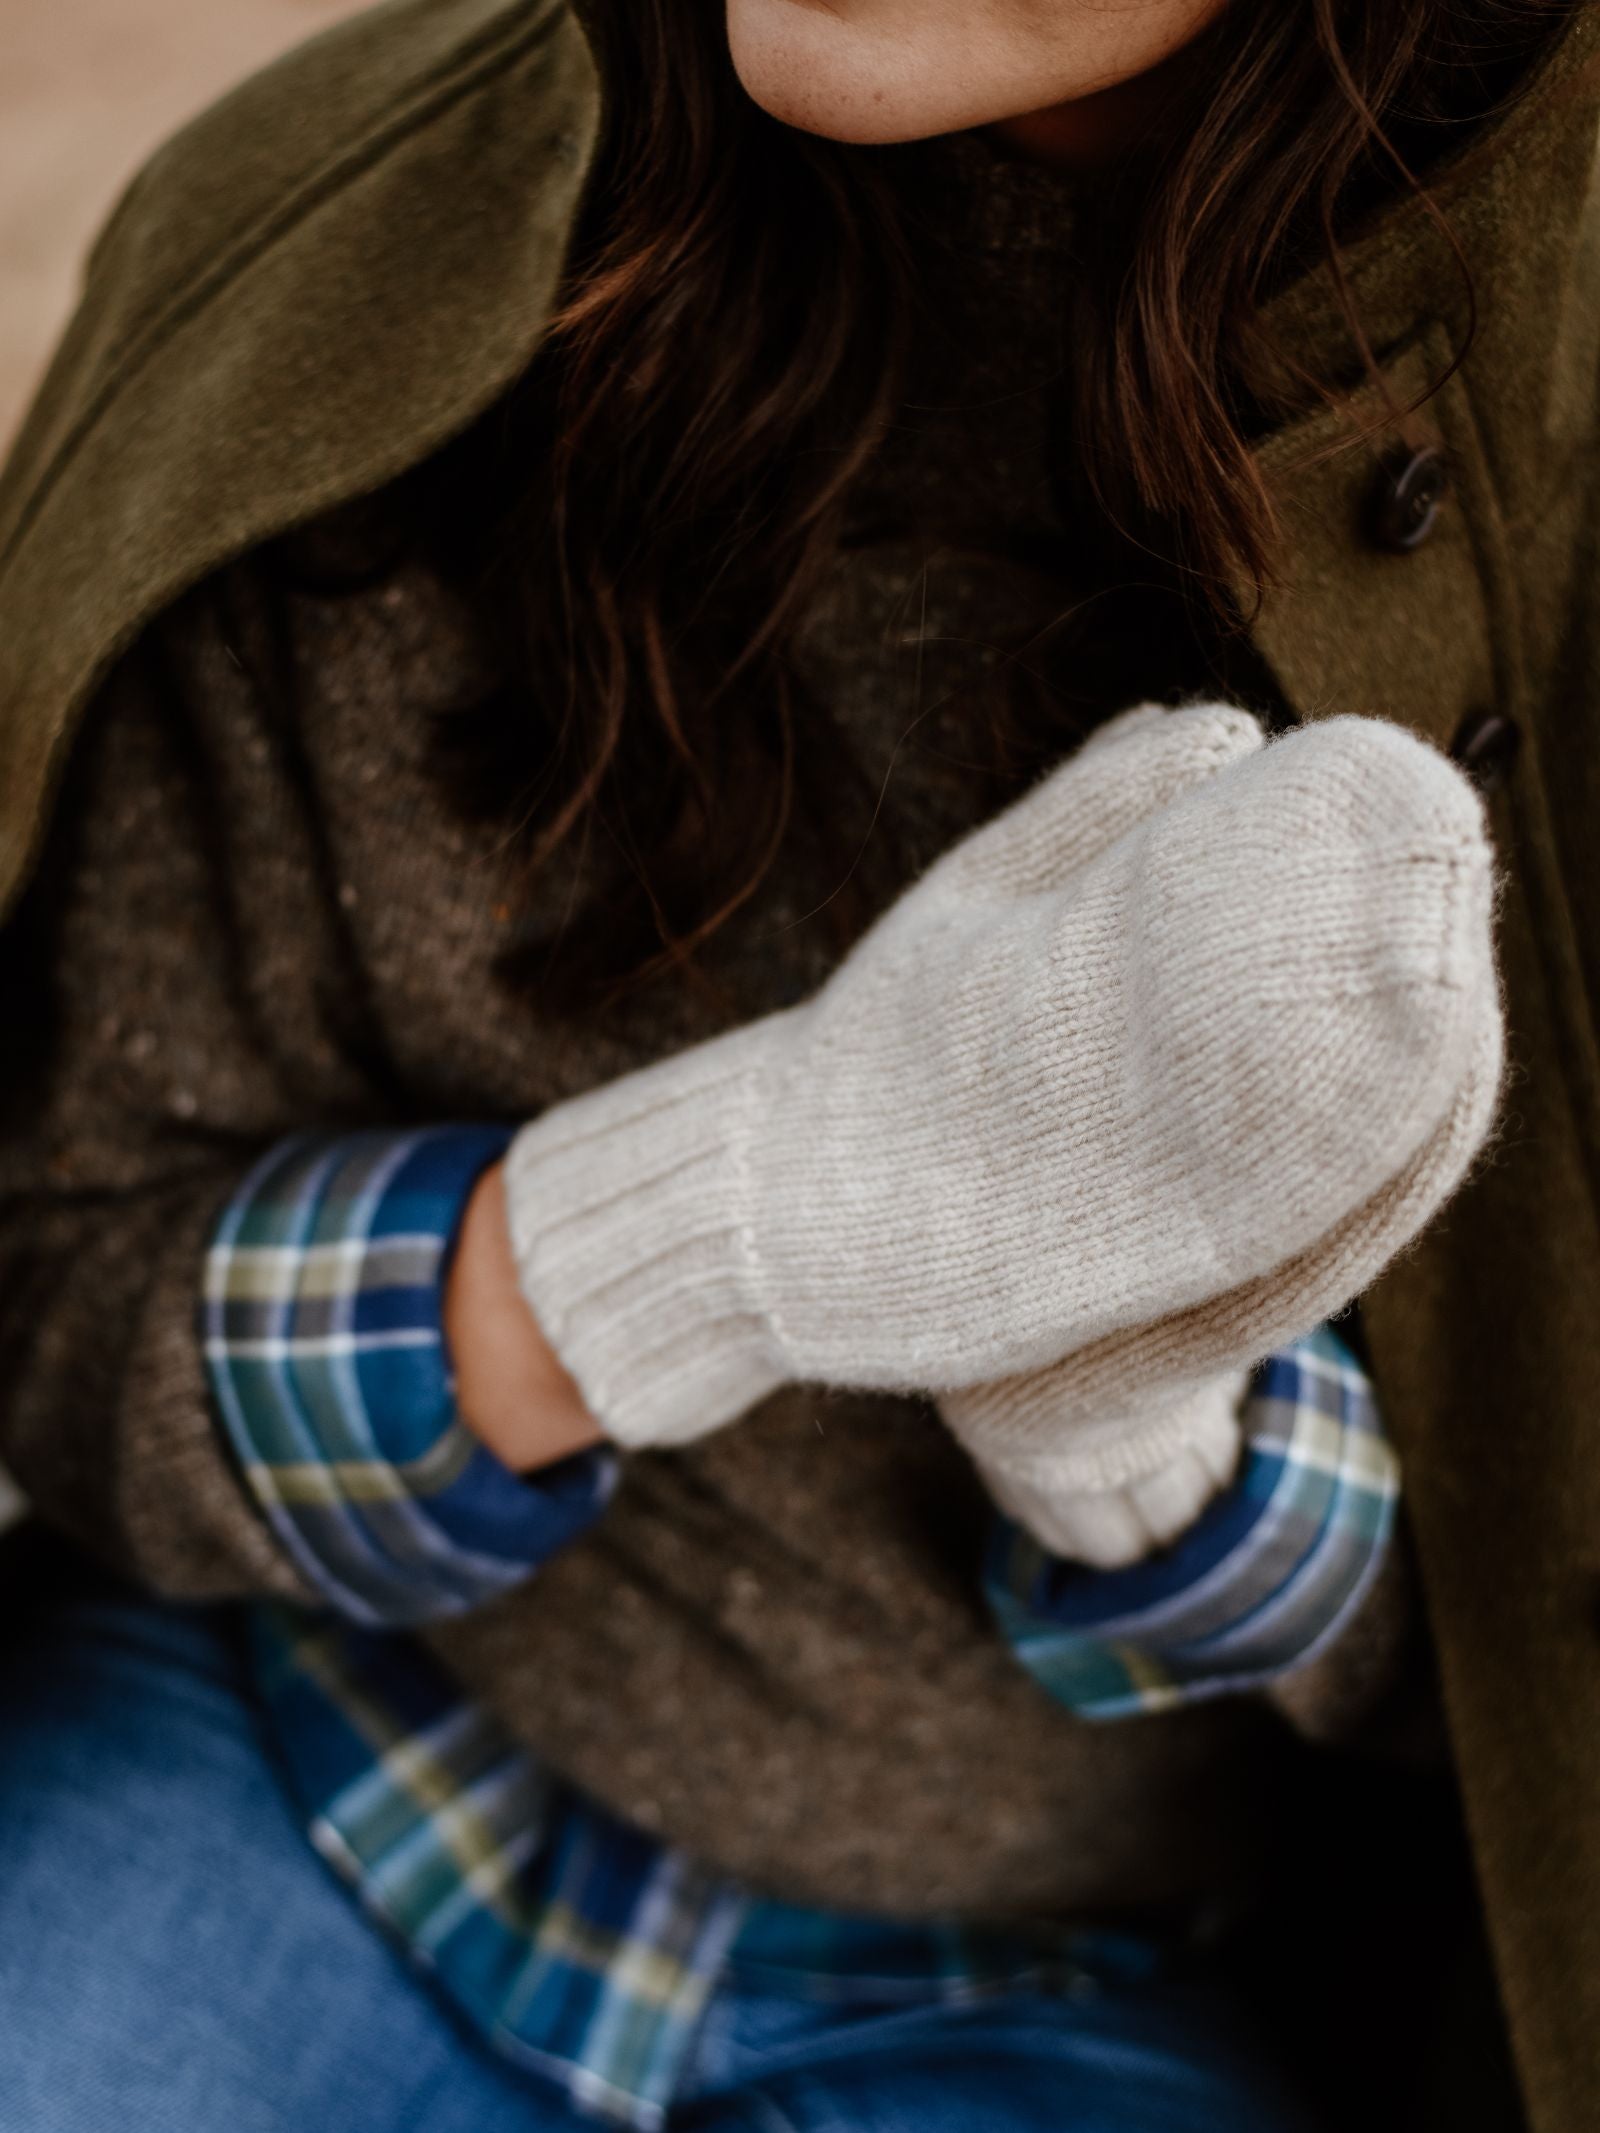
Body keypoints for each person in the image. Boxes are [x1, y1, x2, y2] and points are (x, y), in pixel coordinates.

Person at [0, 1, 1594, 2127]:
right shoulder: (355, 286)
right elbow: (64, 1282)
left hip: (1065, 1984)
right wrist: (681, 1230)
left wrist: (1126, 1402)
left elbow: (1522, 1664)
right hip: (307, 1751)